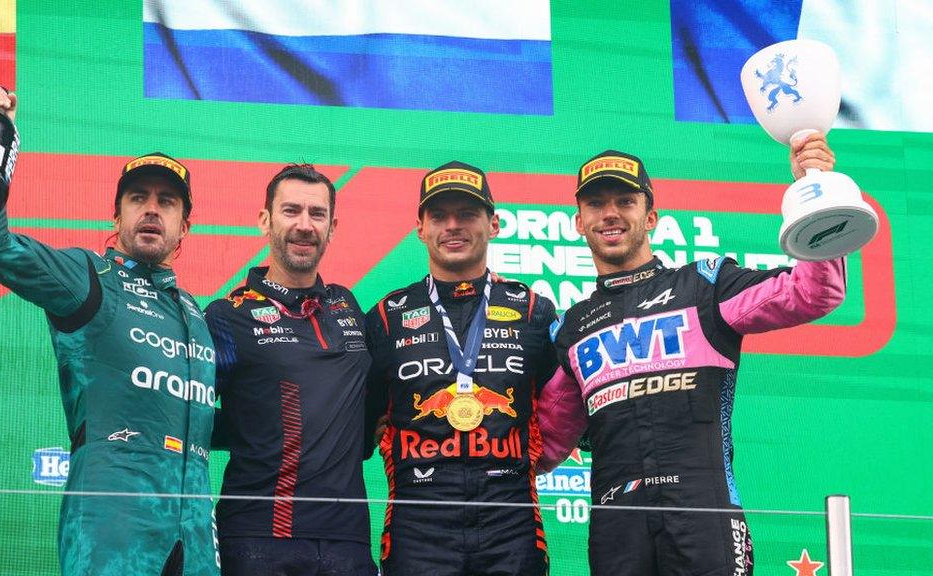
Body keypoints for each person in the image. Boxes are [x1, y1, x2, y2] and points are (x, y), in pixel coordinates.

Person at [536, 137, 847, 576]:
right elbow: (540, 444)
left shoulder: (706, 285)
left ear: (651, 217)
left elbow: (814, 292)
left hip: (706, 516)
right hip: (616, 528)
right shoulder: (573, 328)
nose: (610, 214)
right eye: (595, 204)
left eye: (625, 201)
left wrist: (818, 192)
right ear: (579, 222)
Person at [0, 86, 219, 575]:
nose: (151, 209)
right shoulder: (87, 278)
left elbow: (200, 421)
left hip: (194, 537)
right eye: (137, 197)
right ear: (115, 215)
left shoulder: (196, 315)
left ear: (185, 225)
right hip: (111, 528)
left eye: (167, 202)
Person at [364, 161, 561, 576]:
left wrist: (541, 455)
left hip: (513, 532)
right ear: (420, 228)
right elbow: (363, 423)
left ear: (493, 223)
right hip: (417, 534)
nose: (453, 226)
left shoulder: (533, 312)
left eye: (467, 214)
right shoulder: (386, 317)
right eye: (439, 215)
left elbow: (567, 410)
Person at [204, 164, 377, 576]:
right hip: (257, 537)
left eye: (316, 214)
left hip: (348, 539)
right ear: (264, 220)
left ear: (332, 227)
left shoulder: (346, 306)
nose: (304, 225)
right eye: (290, 211)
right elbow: (191, 412)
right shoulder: (227, 316)